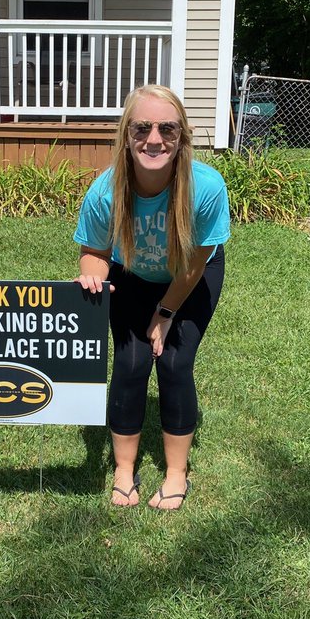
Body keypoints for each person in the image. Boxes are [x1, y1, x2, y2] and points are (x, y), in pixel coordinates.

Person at [74, 84, 230, 510]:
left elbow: (195, 263)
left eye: (167, 129)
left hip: (189, 277)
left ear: (183, 137)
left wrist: (165, 313)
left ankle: (177, 473)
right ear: (127, 134)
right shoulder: (105, 192)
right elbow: (95, 252)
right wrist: (92, 278)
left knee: (176, 362)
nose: (154, 139)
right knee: (130, 362)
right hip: (132, 276)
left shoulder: (207, 188)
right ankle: (124, 471)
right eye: (142, 127)